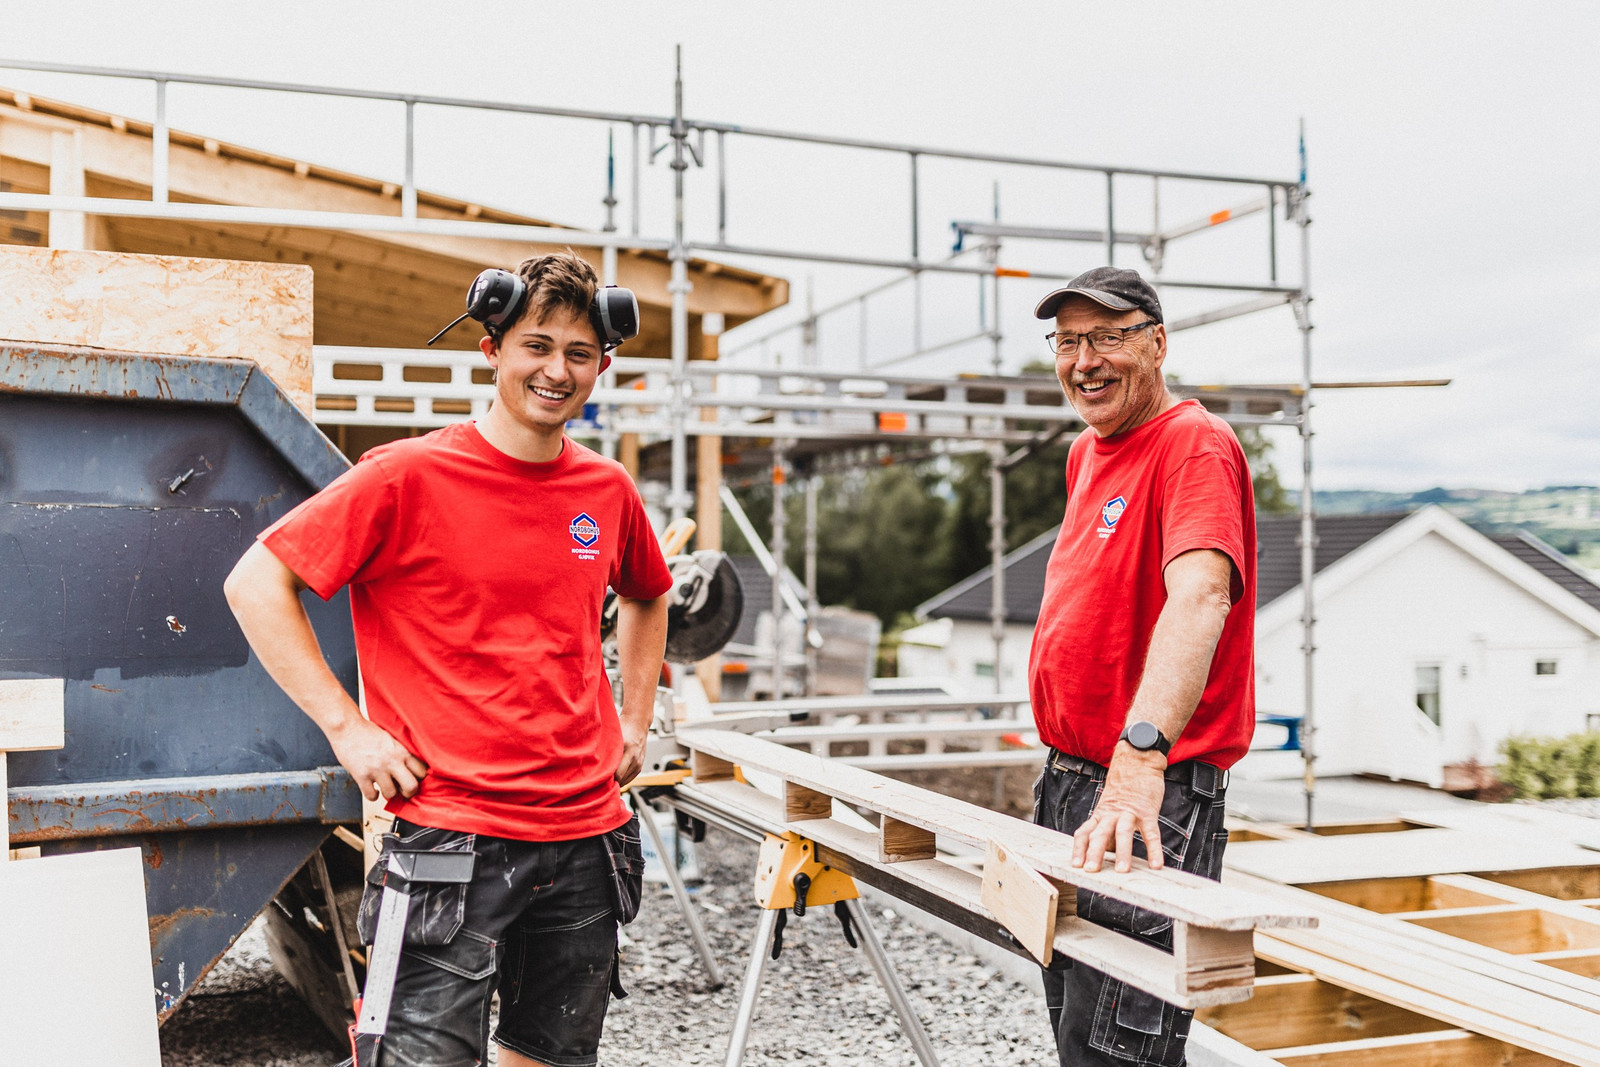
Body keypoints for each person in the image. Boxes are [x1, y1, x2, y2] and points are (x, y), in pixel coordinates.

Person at [224, 251, 671, 1067]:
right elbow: (256, 584)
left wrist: (634, 717)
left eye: (578, 353)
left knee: (548, 1055)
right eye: (537, 345)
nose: (557, 370)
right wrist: (347, 728)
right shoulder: (406, 475)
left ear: (602, 364)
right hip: (447, 840)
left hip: (586, 835)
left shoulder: (606, 490)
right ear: (492, 348)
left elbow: (648, 592)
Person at [1027, 266, 1257, 1066]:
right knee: (1077, 1029)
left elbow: (1200, 597)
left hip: (1144, 795)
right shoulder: (1090, 453)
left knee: (1117, 1051)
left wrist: (1138, 759)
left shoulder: (1193, 443)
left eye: (1108, 337)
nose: (1084, 359)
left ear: (1158, 344)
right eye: (1068, 340)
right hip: (1074, 779)